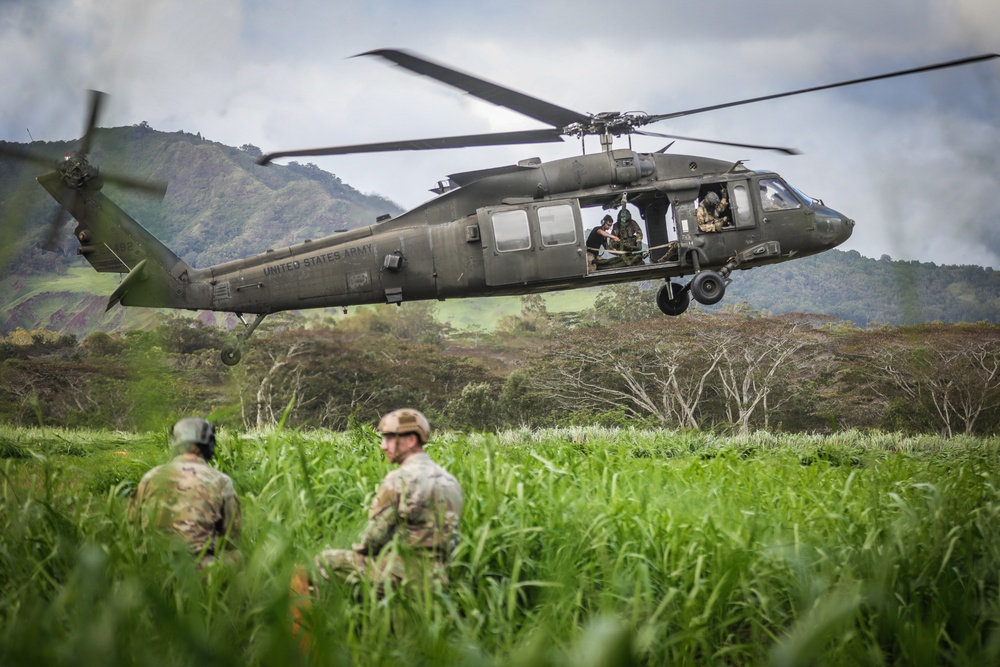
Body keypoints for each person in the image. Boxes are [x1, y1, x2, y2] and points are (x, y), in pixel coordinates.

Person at [312, 408, 464, 591]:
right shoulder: (450, 481)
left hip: (402, 575)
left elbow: (375, 537)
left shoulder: (399, 479)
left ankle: (335, 618)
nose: (383, 446)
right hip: (438, 578)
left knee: (325, 561)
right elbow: (453, 540)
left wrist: (358, 551)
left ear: (411, 440)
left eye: (390, 438)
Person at [129, 417, 242, 568]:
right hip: (199, 567)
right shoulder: (221, 481)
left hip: (154, 566)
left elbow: (133, 524)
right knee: (236, 557)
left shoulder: (151, 476)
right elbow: (232, 534)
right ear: (209, 445)